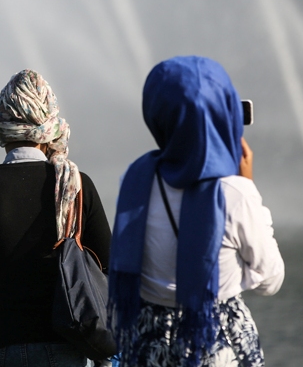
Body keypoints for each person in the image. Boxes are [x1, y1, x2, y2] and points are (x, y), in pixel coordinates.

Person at [108, 56, 284, 367]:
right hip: (216, 345)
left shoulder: (134, 181)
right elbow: (271, 280)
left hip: (147, 346)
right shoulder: (234, 194)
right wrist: (249, 189)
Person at [0, 69, 112, 367]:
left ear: (1, 126)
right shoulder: (76, 183)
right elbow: (107, 263)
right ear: (50, 125)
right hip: (65, 345)